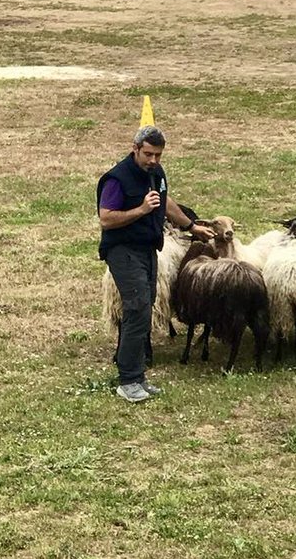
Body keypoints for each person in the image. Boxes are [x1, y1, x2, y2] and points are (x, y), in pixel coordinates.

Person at [97, 125, 212, 403]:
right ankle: (127, 380)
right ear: (135, 148)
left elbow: (166, 203)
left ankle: (137, 377)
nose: (153, 160)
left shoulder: (156, 174)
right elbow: (106, 218)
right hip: (123, 250)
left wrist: (191, 226)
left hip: (149, 249)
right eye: (148, 154)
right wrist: (141, 210)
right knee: (136, 308)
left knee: (145, 306)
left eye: (158, 155)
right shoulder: (117, 178)